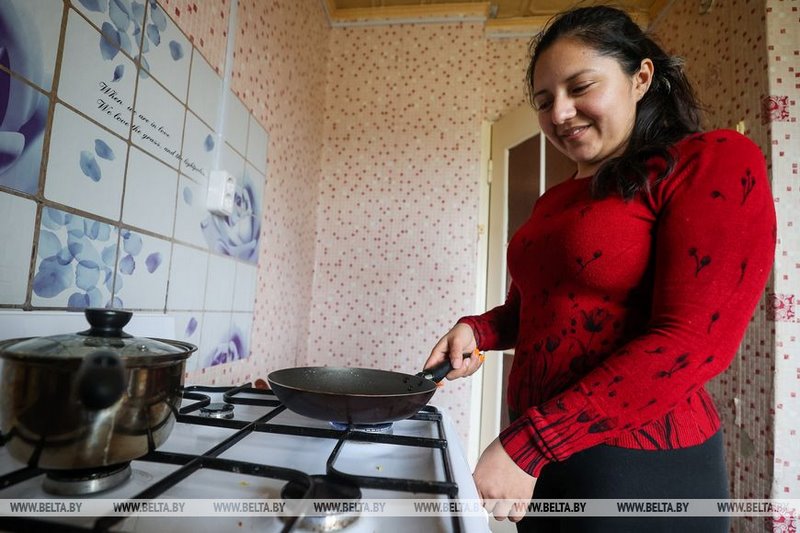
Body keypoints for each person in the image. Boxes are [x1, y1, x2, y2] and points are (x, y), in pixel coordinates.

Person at [424, 5, 776, 532]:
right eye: (544, 102)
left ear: (641, 77)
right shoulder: (556, 199)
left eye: (580, 86)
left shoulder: (712, 160)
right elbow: (539, 309)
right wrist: (478, 329)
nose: (560, 113)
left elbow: (693, 341)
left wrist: (529, 444)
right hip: (547, 454)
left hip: (637, 469)